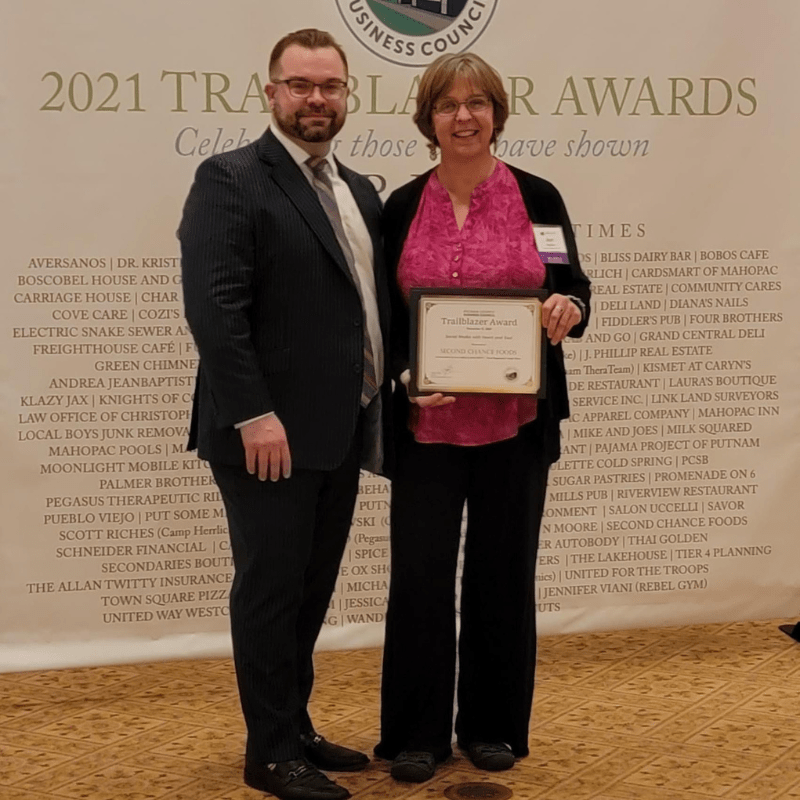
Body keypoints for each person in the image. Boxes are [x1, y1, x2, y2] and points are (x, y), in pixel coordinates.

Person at [178, 28, 392, 800]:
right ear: (270, 93)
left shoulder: (358, 188)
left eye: (329, 86)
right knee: (270, 588)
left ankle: (292, 723)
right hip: (265, 436)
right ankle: (268, 753)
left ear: (347, 95)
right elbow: (215, 308)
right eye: (300, 85)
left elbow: (371, 308)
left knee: (310, 586)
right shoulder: (231, 178)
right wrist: (253, 414)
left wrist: (406, 377)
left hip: (341, 430)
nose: (316, 100)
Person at [374, 52, 591, 783]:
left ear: (497, 112)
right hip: (427, 428)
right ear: (427, 118)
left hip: (517, 424)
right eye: (447, 104)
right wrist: (404, 373)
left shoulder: (540, 197)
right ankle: (416, 734)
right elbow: (380, 317)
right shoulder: (400, 206)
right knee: (420, 578)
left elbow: (571, 286)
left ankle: (494, 725)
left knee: (504, 572)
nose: (463, 116)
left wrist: (569, 308)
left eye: (477, 103)